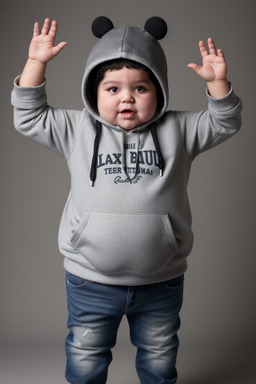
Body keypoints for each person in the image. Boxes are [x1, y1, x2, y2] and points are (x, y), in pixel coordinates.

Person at [11, 16, 242, 384]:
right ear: (93, 91)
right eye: (113, 89)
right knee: (85, 360)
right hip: (89, 280)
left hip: (160, 281)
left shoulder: (179, 131)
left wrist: (217, 84)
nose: (127, 98)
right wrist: (36, 64)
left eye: (140, 88)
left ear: (160, 90)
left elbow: (224, 122)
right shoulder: (77, 130)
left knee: (159, 360)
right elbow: (28, 116)